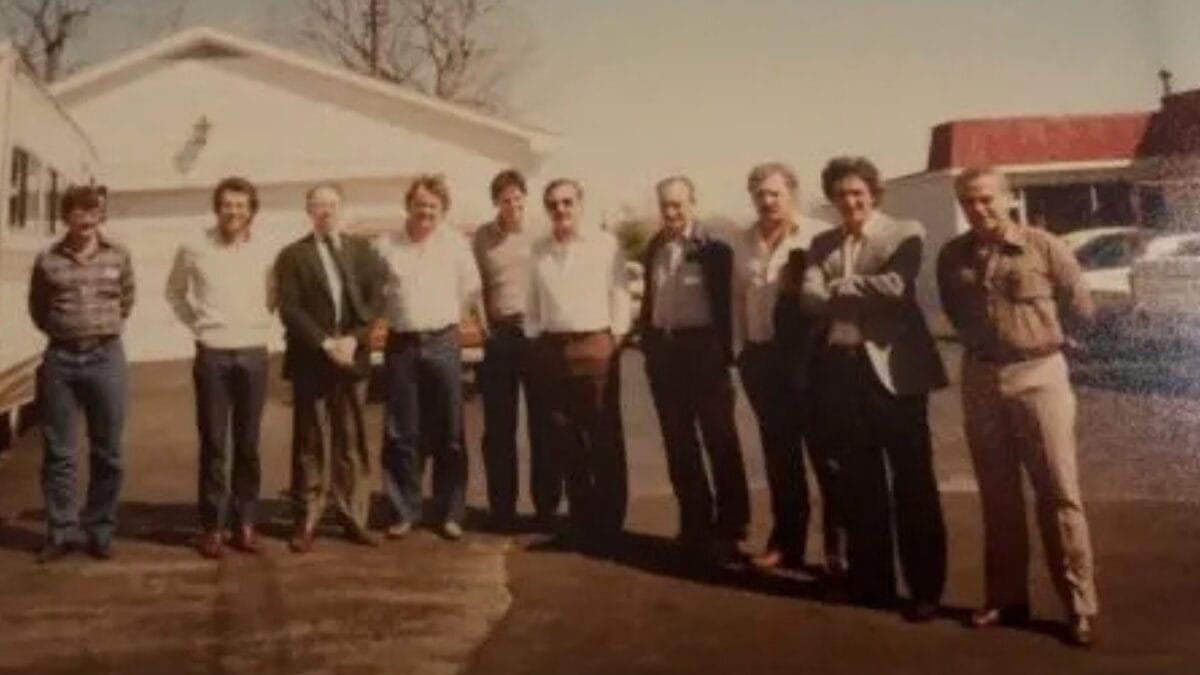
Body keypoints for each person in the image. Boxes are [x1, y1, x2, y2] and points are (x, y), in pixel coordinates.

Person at [938, 166, 1099, 647]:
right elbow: (956, 311)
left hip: (1039, 374)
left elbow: (1081, 308)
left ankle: (1079, 605)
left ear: (1009, 199)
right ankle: (1006, 597)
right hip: (982, 376)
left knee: (1059, 493)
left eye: (986, 199)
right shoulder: (953, 256)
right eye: (968, 201)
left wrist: (1046, 344)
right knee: (998, 495)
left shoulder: (1045, 247)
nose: (978, 209)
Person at [800, 156, 948, 622]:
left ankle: (925, 589)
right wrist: (838, 289)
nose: (850, 201)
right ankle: (873, 583)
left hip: (895, 375)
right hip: (842, 373)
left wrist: (840, 283)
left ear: (874, 193)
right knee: (860, 487)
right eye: (841, 194)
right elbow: (808, 297)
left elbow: (896, 285)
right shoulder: (821, 241)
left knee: (913, 483)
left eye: (858, 192)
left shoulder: (906, 231)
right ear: (832, 199)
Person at [731, 161, 838, 572]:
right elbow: (737, 299)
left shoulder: (816, 234)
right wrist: (742, 351)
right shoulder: (742, 241)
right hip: (760, 359)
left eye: (775, 193)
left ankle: (836, 551)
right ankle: (786, 542)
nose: (767, 201)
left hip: (809, 362)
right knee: (780, 456)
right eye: (760, 194)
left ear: (791, 193)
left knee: (825, 456)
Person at [638, 174, 749, 563]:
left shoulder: (714, 247)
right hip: (665, 351)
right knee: (678, 442)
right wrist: (648, 342)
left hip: (704, 351)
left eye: (678, 204)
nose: (670, 212)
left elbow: (730, 302)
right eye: (664, 205)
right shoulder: (655, 245)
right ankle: (694, 522)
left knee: (720, 440)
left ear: (693, 202)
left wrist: (726, 352)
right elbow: (650, 298)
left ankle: (732, 525)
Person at [165, 176, 275, 558]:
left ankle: (245, 524)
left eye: (241, 206)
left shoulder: (266, 249)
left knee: (248, 444)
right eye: (227, 205)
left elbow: (275, 294)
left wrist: (257, 322)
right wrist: (197, 323)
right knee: (214, 443)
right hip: (212, 353)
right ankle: (212, 527)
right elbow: (174, 291)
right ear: (218, 208)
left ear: (251, 211)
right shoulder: (194, 247)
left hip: (253, 353)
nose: (234, 212)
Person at [275, 182, 386, 553]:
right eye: (318, 205)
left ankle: (354, 516)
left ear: (343, 208)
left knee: (351, 441)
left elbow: (374, 300)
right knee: (310, 441)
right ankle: (306, 518)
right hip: (313, 358)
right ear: (309, 211)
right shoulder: (293, 256)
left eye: (332, 205)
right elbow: (290, 308)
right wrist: (325, 344)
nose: (325, 211)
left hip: (352, 357)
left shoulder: (362, 251)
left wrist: (353, 339)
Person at [28, 185, 135, 563]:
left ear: (101, 216)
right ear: (66, 217)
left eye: (94, 212)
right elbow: (39, 308)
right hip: (61, 360)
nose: (87, 219)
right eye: (79, 212)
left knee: (108, 451)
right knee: (59, 452)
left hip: (105, 357)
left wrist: (98, 331)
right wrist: (67, 333)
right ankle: (60, 530)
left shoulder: (119, 256)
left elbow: (127, 299)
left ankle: (100, 528)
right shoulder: (47, 260)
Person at [525, 178, 631, 553]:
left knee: (603, 437)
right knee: (565, 438)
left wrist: (613, 340)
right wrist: (537, 337)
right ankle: (582, 519)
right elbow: (532, 303)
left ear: (580, 204)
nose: (561, 210)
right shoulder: (539, 250)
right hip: (554, 350)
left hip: (596, 345)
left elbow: (619, 295)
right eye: (553, 204)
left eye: (568, 202)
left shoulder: (605, 245)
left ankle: (611, 523)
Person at [377, 174, 481, 541]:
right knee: (401, 432)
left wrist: (446, 322)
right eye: (420, 204)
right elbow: (377, 293)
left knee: (450, 432)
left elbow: (470, 290)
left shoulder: (455, 244)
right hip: (401, 344)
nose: (426, 212)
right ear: (409, 205)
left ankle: (450, 511)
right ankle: (405, 510)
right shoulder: (387, 244)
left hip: (442, 341)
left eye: (434, 207)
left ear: (443, 210)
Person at [473, 169, 561, 531]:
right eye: (506, 200)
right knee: (499, 427)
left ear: (526, 200)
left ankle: (546, 508)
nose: (513, 206)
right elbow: (474, 286)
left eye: (518, 199)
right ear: (496, 202)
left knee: (544, 424)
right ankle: (502, 509)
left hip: (537, 334)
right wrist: (483, 326)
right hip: (500, 335)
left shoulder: (542, 233)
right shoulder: (483, 237)